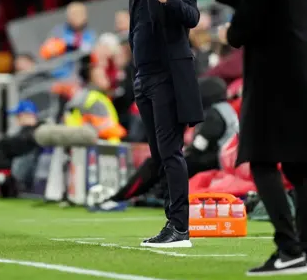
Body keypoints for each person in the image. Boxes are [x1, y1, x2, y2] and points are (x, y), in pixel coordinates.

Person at [186, 0, 307, 276]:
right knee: (298, 168)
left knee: (261, 162)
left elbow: (243, 29)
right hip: (301, 80)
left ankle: (288, 249)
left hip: (271, 80)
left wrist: (227, 33)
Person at [128, 0, 203, 248]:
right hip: (144, 80)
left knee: (171, 152)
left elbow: (193, 17)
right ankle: (172, 224)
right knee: (160, 155)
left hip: (168, 80)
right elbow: (136, 33)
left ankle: (180, 228)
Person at [99, 76, 238, 210]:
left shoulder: (215, 114)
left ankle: (122, 197)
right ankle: (156, 193)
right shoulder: (226, 110)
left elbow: (199, 147)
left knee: (159, 162)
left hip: (216, 162)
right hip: (223, 162)